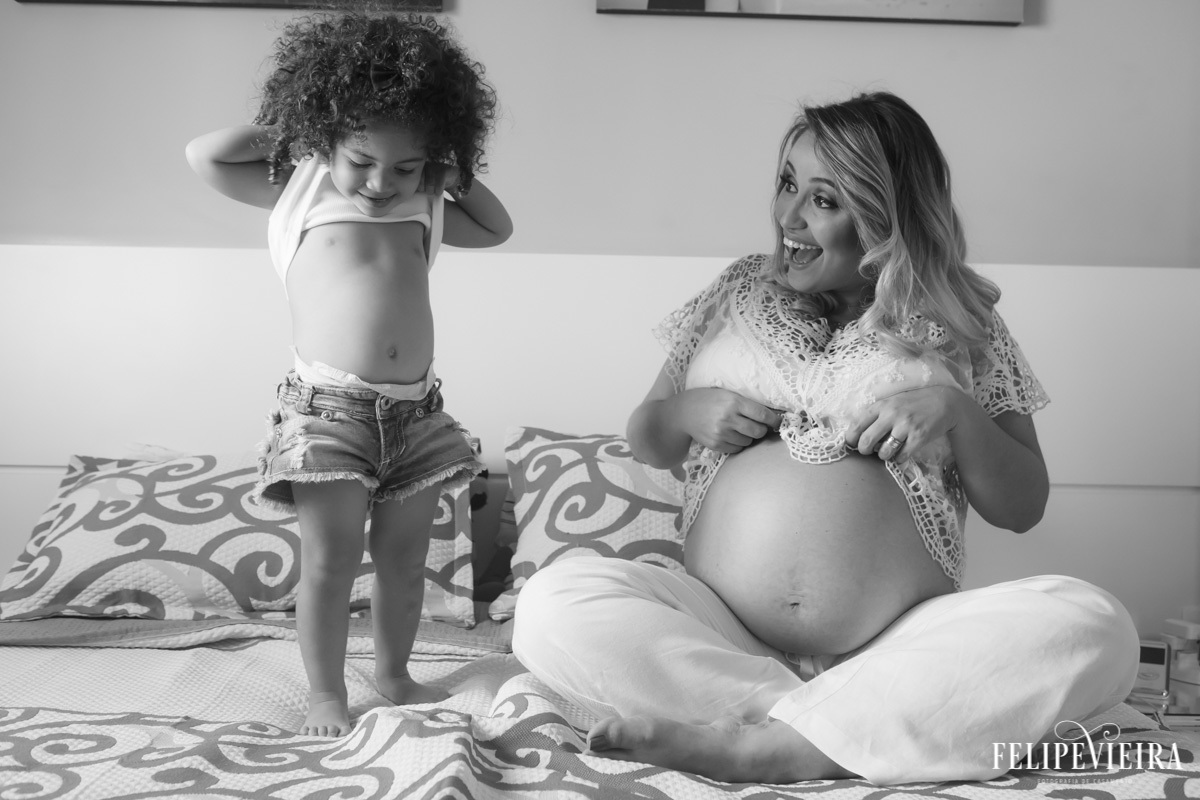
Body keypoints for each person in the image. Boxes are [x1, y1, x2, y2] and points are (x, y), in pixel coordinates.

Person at [512, 91, 1137, 784]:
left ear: (885, 216)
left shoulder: (962, 318)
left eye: (824, 200)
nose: (789, 218)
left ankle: (769, 741)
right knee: (550, 602)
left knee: (1096, 624)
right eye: (787, 184)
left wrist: (958, 413)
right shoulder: (736, 291)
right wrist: (690, 411)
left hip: (897, 644)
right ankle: (829, 727)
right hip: (717, 633)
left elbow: (1023, 506)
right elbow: (648, 436)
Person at [186, 12, 512, 737]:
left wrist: (453, 174)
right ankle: (326, 694)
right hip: (329, 412)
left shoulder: (426, 199)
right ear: (326, 139)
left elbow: (496, 227)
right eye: (361, 159)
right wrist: (300, 127)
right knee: (330, 561)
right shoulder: (300, 188)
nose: (378, 183)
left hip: (419, 415)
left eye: (404, 167)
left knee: (403, 562)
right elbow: (205, 156)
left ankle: (395, 675)